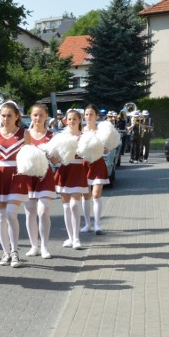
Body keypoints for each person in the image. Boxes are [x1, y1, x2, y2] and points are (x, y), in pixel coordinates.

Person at [0, 100, 28, 268]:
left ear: (17, 116)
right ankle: (6, 252)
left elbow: (28, 156)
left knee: (11, 213)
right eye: (3, 115)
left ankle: (15, 251)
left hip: (17, 175)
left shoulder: (24, 134)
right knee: (1, 217)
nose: (6, 118)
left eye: (9, 115)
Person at [23, 104, 59, 259]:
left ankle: (44, 246)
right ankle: (34, 246)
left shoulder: (52, 136)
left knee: (43, 211)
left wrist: (48, 153)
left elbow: (57, 161)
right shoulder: (25, 135)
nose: (38, 118)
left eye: (41, 115)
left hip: (45, 176)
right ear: (31, 116)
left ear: (46, 117)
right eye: (35, 115)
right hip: (28, 176)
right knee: (30, 211)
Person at [54, 109, 89, 249]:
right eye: (69, 119)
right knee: (66, 206)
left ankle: (76, 238)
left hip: (78, 169)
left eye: (75, 119)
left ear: (80, 120)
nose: (72, 121)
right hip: (64, 170)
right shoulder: (60, 136)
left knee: (75, 204)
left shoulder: (85, 137)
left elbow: (92, 155)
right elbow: (55, 157)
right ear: (65, 121)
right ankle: (70, 237)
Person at [80, 104, 109, 235]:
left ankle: (97, 224)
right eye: (86, 114)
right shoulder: (80, 130)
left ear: (96, 116)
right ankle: (87, 224)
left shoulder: (101, 131)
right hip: (84, 164)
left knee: (96, 194)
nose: (88, 117)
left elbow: (107, 150)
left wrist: (103, 147)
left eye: (91, 114)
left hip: (98, 163)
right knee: (85, 195)